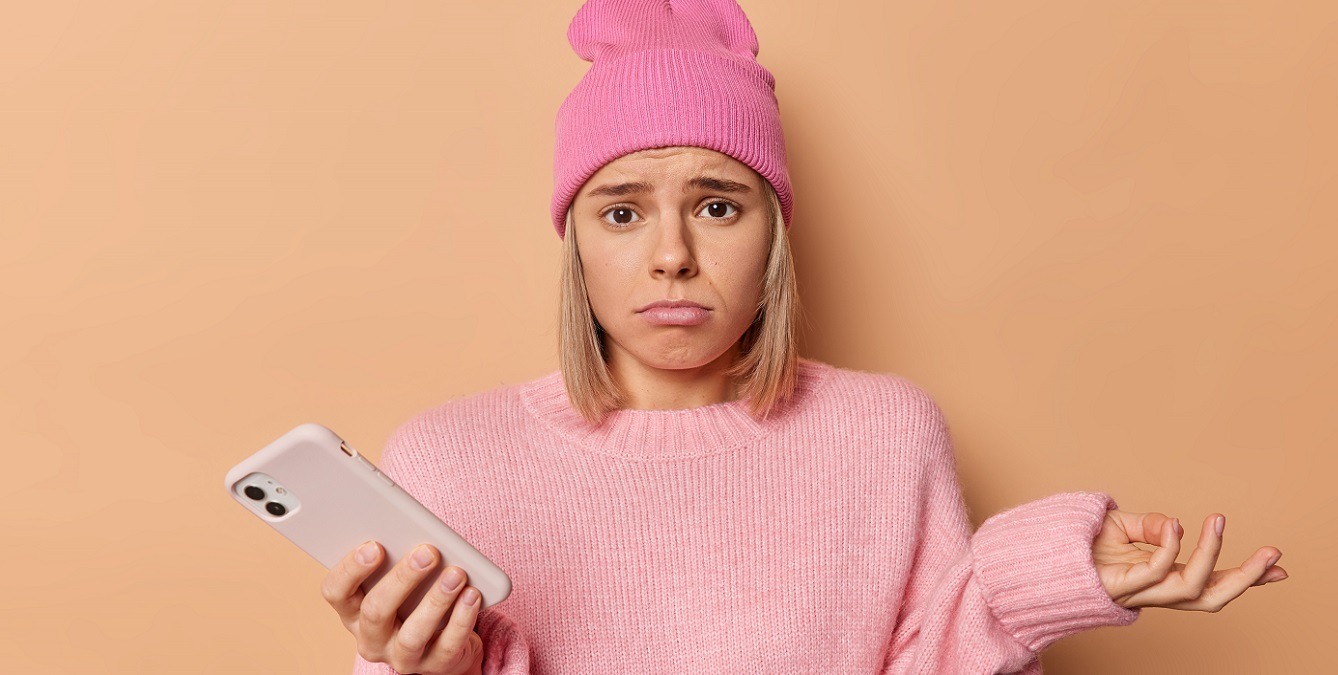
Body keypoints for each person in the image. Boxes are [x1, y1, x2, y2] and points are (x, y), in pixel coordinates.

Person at [320, 1, 1288, 673]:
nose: (671, 255)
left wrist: (1027, 577)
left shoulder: (885, 433)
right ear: (573, 239)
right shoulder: (448, 462)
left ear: (775, 231)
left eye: (717, 205)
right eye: (621, 213)